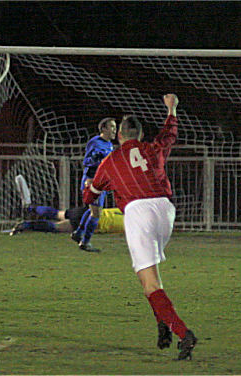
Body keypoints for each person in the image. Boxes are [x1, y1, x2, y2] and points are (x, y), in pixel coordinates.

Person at [83, 94, 197, 360]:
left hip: (139, 212)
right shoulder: (152, 149)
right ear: (140, 134)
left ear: (120, 136)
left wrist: (92, 206)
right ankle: (163, 324)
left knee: (150, 284)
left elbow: (92, 190)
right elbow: (169, 134)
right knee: (152, 277)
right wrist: (172, 109)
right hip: (166, 211)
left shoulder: (110, 160)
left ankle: (183, 334)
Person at [71, 117, 116, 252]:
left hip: (101, 182)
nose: (114, 130)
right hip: (91, 181)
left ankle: (78, 233)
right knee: (96, 213)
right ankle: (85, 242)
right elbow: (87, 161)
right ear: (104, 129)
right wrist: (96, 158)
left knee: (93, 211)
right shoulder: (95, 142)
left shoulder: (109, 145)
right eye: (112, 127)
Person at [10, 205, 124, 239]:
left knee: (57, 214)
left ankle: (31, 208)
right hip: (91, 223)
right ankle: (26, 225)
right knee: (56, 227)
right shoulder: (133, 225)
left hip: (86, 211)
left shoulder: (126, 210)